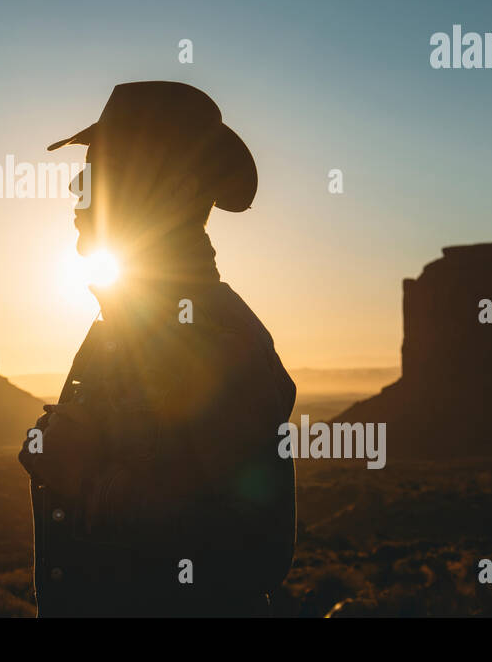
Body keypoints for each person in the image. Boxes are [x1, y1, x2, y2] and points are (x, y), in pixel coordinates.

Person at [19, 81, 297, 617]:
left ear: (173, 192)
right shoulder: (123, 323)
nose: (78, 187)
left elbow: (253, 553)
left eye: (103, 173)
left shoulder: (216, 341)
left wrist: (86, 482)